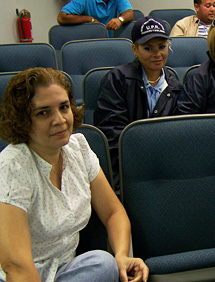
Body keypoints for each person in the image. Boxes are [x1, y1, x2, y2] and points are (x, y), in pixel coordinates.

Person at [0, 67, 149, 282]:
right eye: (43, 112)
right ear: (23, 120)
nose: (59, 120)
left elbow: (114, 213)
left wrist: (122, 256)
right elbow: (16, 266)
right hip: (19, 277)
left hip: (64, 272)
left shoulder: (78, 147)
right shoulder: (13, 166)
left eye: (64, 107)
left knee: (104, 263)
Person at [94, 16, 183, 190]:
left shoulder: (175, 86)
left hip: (165, 170)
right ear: (135, 50)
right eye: (148, 48)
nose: (157, 54)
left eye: (162, 47)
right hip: (125, 169)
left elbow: (178, 136)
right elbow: (111, 137)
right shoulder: (117, 79)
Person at [57, 0, 134, 36]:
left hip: (110, 42)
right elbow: (62, 17)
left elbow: (129, 13)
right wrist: (89, 19)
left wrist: (120, 20)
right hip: (89, 43)